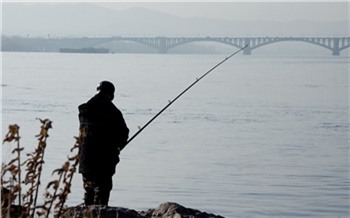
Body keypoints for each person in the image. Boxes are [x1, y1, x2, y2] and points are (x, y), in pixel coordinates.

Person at [78, 81, 129, 206]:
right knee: (102, 190)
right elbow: (123, 135)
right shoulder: (114, 112)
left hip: (86, 160)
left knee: (88, 190)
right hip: (105, 160)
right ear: (112, 94)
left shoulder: (84, 111)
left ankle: (87, 212)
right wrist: (118, 147)